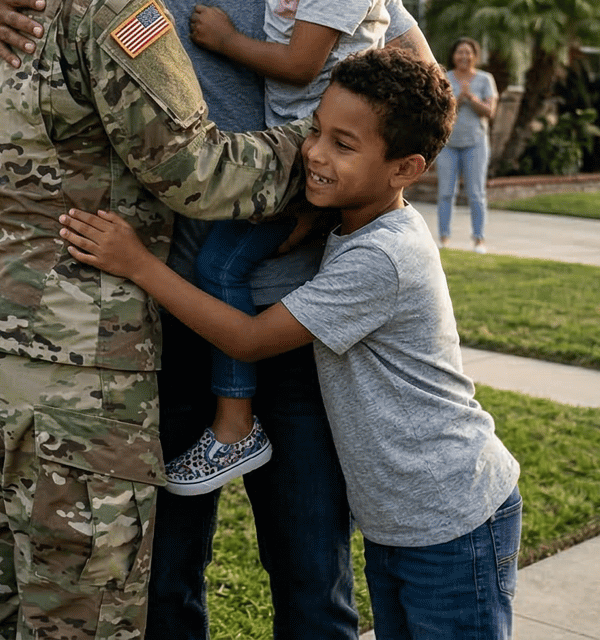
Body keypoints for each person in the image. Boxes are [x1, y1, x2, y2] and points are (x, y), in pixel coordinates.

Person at [0, 0, 425, 640]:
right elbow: (187, 165)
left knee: (311, 582)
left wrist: (349, 173)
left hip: (299, 306)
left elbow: (419, 91)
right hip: (155, 310)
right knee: (152, 582)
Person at [59, 47, 523, 640]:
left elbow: (251, 340)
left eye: (344, 145)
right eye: (317, 131)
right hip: (404, 521)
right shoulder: (357, 226)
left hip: (452, 517)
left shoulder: (382, 257)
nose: (315, 153)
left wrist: (140, 266)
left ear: (406, 169)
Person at [173, 0, 445, 496]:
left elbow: (302, 62)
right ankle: (232, 421)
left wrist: (229, 40)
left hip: (305, 151)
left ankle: (234, 424)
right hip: (299, 155)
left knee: (220, 265)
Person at [437, 37, 498, 253]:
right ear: (453, 55)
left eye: (468, 52)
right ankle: (444, 237)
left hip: (476, 143)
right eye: (459, 52)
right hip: (448, 144)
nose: (464, 56)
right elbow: (440, 109)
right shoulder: (444, 78)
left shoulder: (485, 79)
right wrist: (459, 98)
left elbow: (490, 111)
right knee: (445, 192)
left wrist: (471, 97)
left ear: (475, 56)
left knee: (476, 193)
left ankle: (479, 239)